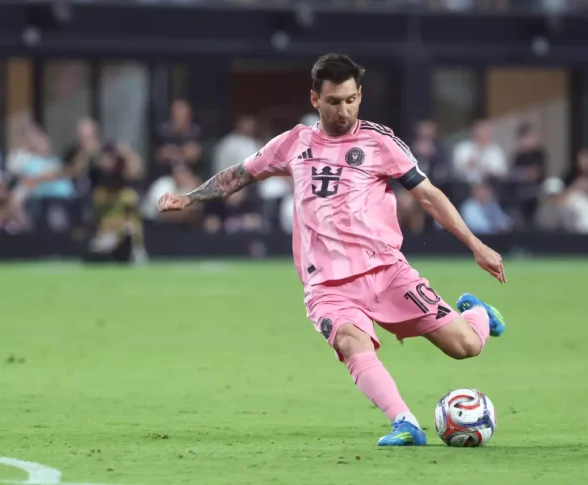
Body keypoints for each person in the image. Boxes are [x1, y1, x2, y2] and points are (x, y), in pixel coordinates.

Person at [158, 53, 507, 447]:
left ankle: (479, 314)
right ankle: (405, 423)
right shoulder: (293, 143)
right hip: (326, 285)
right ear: (315, 99)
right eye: (334, 102)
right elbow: (238, 175)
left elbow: (428, 195)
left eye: (351, 100)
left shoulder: (380, 142)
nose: (344, 111)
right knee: (350, 340)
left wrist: (476, 245)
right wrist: (189, 198)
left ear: (360, 95)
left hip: (387, 272)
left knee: (466, 346)